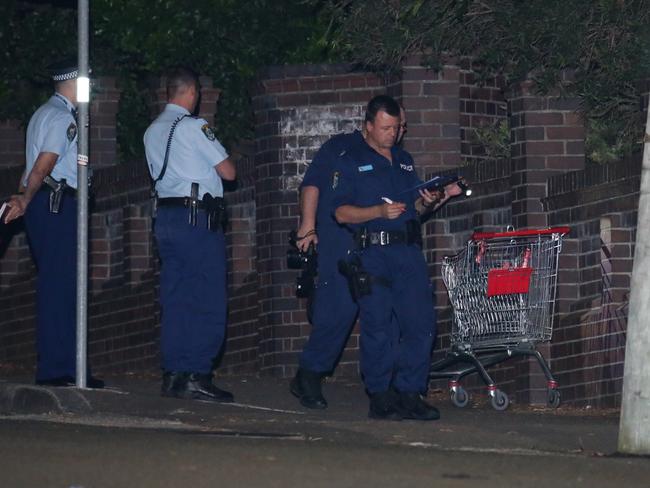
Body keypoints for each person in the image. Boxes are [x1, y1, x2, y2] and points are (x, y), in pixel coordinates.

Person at [332, 95, 463, 421]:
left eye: (399, 127)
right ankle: (381, 394)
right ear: (369, 126)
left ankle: (410, 391)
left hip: (407, 251)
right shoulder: (350, 161)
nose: (394, 133)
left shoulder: (404, 161)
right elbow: (340, 212)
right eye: (387, 127)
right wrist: (378, 211)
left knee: (420, 322)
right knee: (379, 325)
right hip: (372, 252)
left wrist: (433, 200)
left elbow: (415, 211)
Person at [3, 60, 104, 388]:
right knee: (63, 287)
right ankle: (61, 369)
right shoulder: (63, 119)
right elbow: (44, 164)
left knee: (57, 284)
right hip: (57, 204)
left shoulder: (43, 113)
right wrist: (26, 197)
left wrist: (25, 198)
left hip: (48, 206)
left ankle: (65, 366)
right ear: (74, 83)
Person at [143, 66, 236, 402]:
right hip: (197, 218)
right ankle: (198, 373)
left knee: (176, 297)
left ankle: (173, 374)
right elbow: (228, 171)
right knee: (208, 296)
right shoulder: (194, 126)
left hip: (166, 217)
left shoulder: (152, 130)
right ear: (193, 93)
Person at [290, 129, 363, 409]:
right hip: (339, 235)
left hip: (377, 237)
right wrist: (307, 227)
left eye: (401, 127)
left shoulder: (397, 157)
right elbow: (312, 184)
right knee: (338, 307)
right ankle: (310, 372)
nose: (397, 132)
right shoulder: (341, 147)